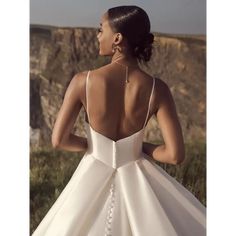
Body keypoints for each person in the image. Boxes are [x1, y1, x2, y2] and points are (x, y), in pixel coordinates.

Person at [32, 5, 206, 236]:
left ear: (117, 38)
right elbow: (174, 155)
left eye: (100, 29)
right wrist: (137, 147)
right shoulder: (158, 88)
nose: (97, 36)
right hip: (138, 182)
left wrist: (97, 146)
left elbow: (59, 140)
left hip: (90, 176)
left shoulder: (82, 81)